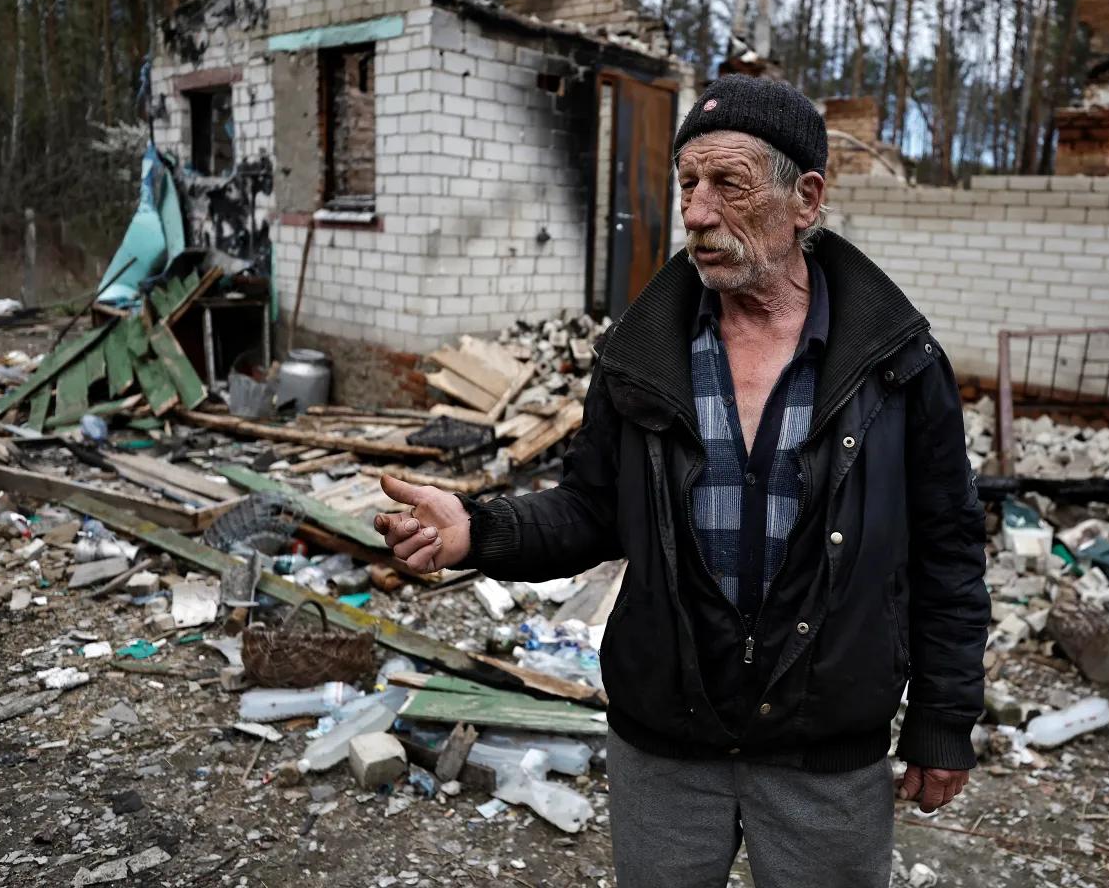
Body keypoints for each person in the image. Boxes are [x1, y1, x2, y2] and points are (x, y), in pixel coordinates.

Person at [375, 74, 989, 888]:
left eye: (727, 184)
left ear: (805, 199)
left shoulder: (899, 365)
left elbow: (949, 548)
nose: (696, 212)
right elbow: (594, 509)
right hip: (665, 745)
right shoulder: (643, 358)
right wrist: (478, 531)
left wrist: (944, 720)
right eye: (687, 185)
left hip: (824, 749)